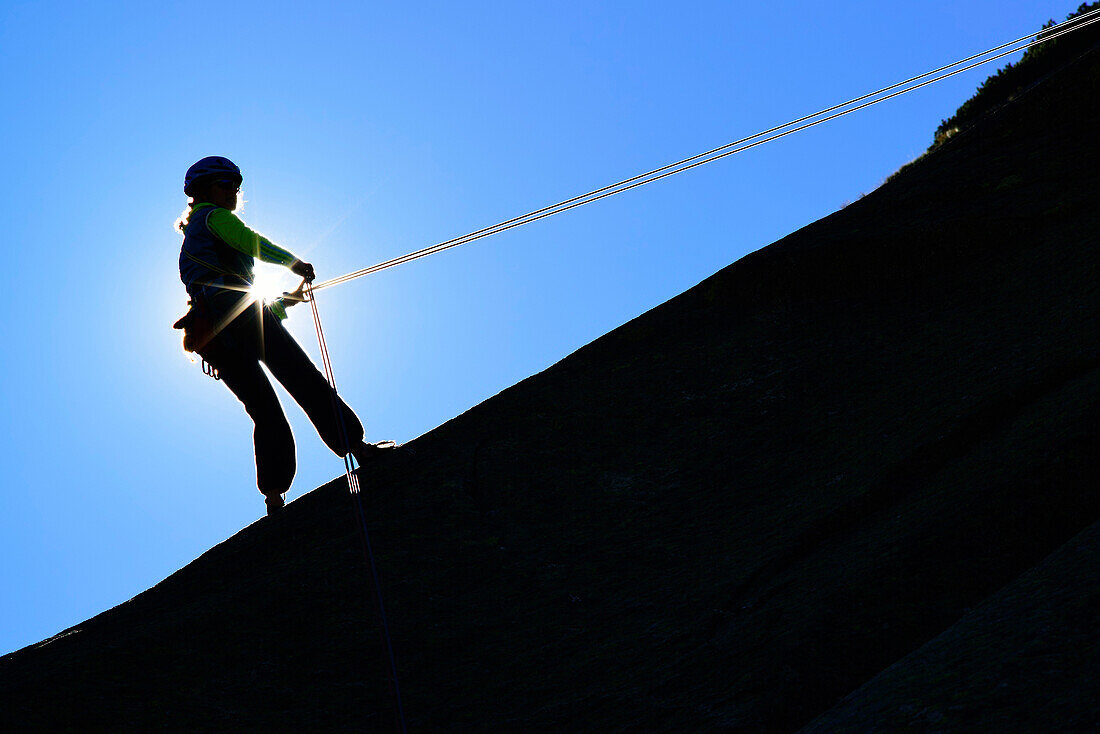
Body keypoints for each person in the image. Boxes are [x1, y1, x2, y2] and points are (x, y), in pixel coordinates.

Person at [176, 156, 383, 516]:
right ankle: (358, 448)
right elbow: (251, 243)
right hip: (239, 320)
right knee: (304, 380)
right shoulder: (214, 218)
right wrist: (293, 263)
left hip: (213, 337)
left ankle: (273, 495)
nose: (234, 192)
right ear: (207, 189)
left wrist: (283, 302)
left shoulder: (191, 239)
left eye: (236, 186)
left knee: (264, 410)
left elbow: (225, 297)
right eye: (227, 184)